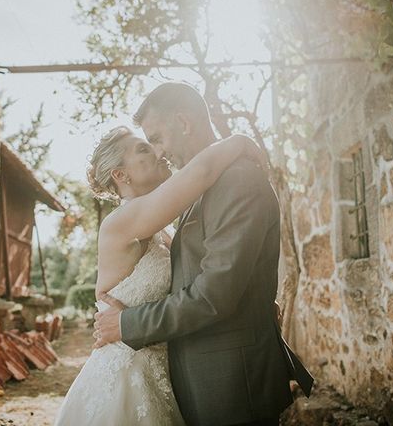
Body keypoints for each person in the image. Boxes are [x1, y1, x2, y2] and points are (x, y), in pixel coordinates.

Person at [93, 82, 313, 426]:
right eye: (147, 146)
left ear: (183, 122)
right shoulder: (188, 193)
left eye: (157, 138)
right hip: (189, 377)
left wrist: (129, 322)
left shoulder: (238, 180)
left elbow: (214, 294)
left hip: (230, 383)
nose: (158, 152)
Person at [54, 123, 267, 426]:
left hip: (164, 370)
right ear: (121, 175)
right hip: (127, 375)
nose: (157, 152)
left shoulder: (160, 229)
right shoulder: (121, 222)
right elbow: (202, 173)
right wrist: (239, 141)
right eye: (143, 149)